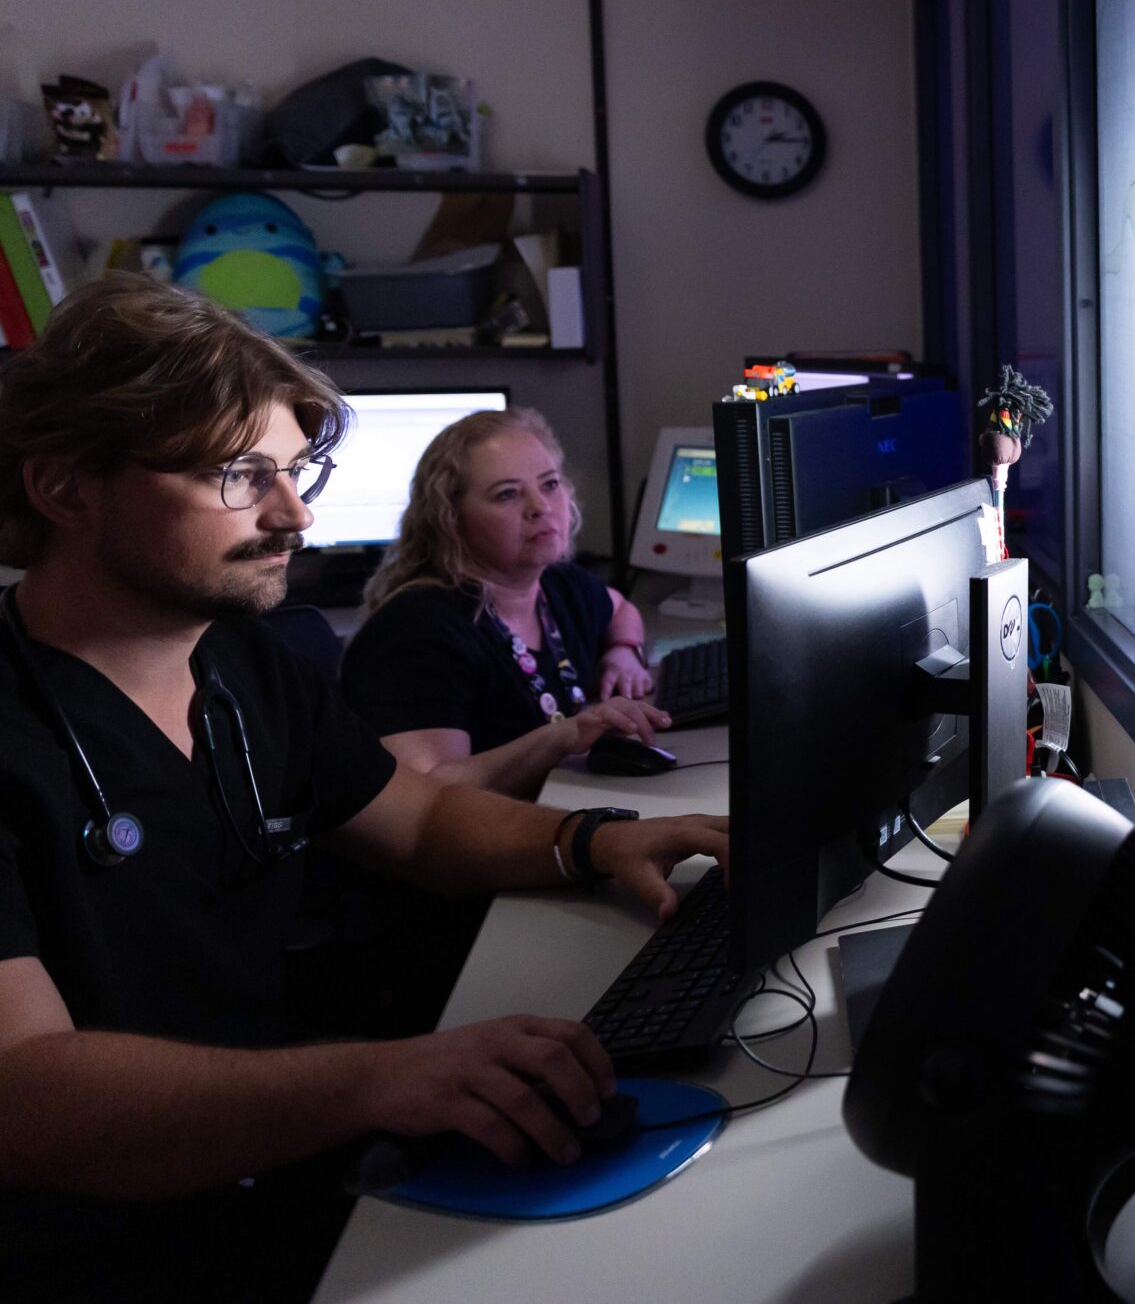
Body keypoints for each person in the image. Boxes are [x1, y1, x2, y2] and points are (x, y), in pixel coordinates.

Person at [0, 274, 726, 1300]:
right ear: (67, 489)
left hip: (280, 1149)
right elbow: (24, 1096)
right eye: (236, 476)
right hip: (97, 1235)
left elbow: (417, 816)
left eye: (296, 472)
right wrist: (384, 1074)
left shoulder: (246, 661)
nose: (294, 515)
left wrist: (596, 843)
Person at [342, 408, 667, 797]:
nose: (539, 507)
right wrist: (563, 737)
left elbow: (620, 609)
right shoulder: (416, 631)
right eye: (507, 494)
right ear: (450, 519)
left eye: (549, 485)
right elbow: (421, 796)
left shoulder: (559, 585)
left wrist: (623, 650)